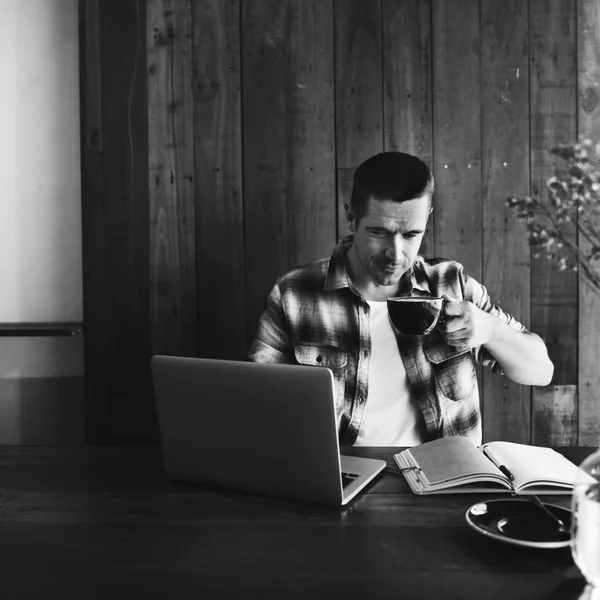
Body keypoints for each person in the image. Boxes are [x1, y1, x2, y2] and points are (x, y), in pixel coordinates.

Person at [248, 152, 554, 447]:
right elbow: (258, 405)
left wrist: (490, 330)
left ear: (426, 220)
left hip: (445, 484)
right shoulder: (294, 294)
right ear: (352, 218)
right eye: (380, 232)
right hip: (341, 481)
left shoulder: (451, 284)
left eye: (410, 234)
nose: (395, 254)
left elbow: (541, 372)